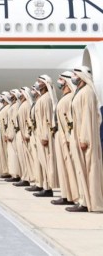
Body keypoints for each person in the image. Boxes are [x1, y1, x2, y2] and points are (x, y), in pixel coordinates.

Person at [66, 66, 103, 212]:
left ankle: (89, 202)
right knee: (81, 170)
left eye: (75, 74)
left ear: (81, 76)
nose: (73, 77)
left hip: (84, 138)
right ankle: (83, 200)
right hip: (79, 136)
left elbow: (87, 117)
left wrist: (84, 139)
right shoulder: (80, 92)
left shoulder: (87, 92)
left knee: (88, 170)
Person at [51, 72, 79, 206]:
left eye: (61, 79)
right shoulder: (65, 97)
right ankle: (65, 194)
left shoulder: (69, 98)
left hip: (66, 138)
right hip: (61, 137)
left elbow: (70, 120)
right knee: (63, 169)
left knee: (70, 168)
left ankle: (73, 196)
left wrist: (68, 138)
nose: (59, 81)